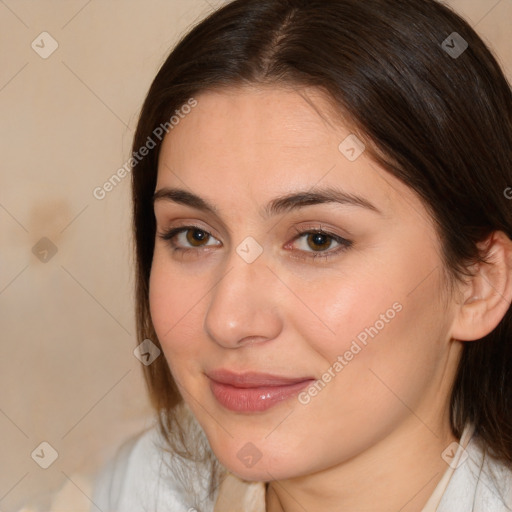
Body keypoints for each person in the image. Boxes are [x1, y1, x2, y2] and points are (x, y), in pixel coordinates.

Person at [91, 0, 512, 510]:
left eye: (318, 240)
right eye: (195, 236)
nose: (227, 320)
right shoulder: (144, 488)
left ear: (479, 284)